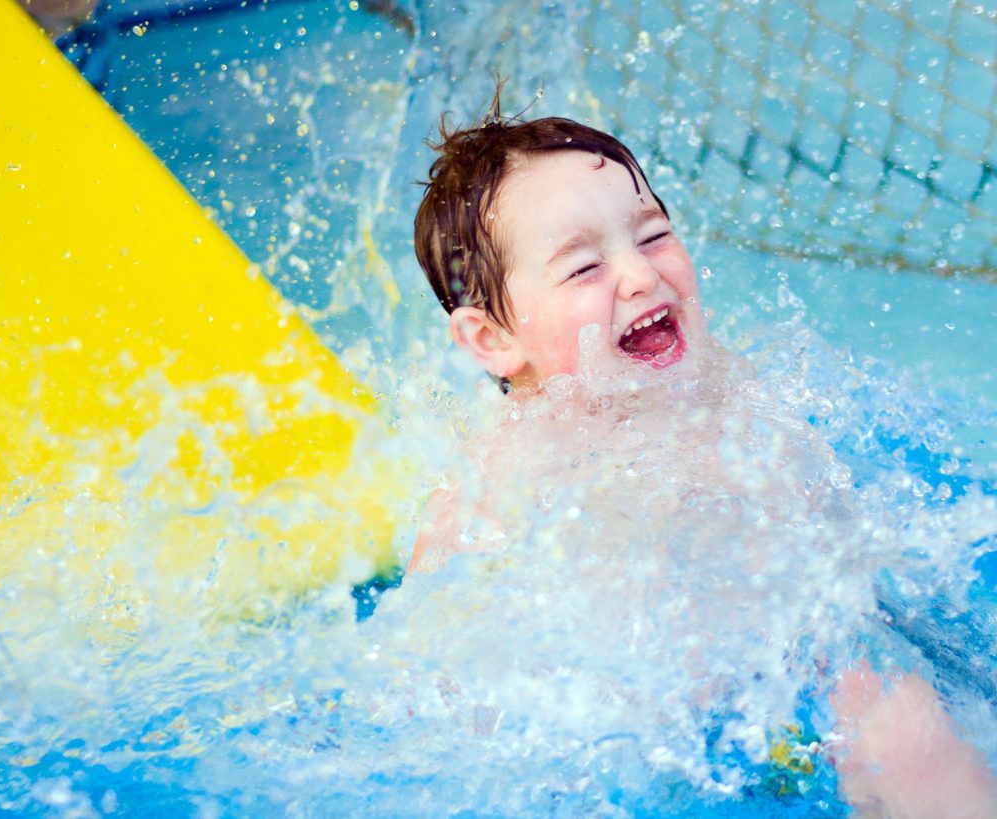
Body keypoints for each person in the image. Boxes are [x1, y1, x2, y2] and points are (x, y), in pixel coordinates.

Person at [406, 88, 997, 816]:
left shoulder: (719, 380)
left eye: (652, 235)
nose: (641, 275)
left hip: (793, 666)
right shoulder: (498, 480)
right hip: (635, 736)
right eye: (585, 268)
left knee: (904, 727)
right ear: (494, 339)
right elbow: (437, 660)